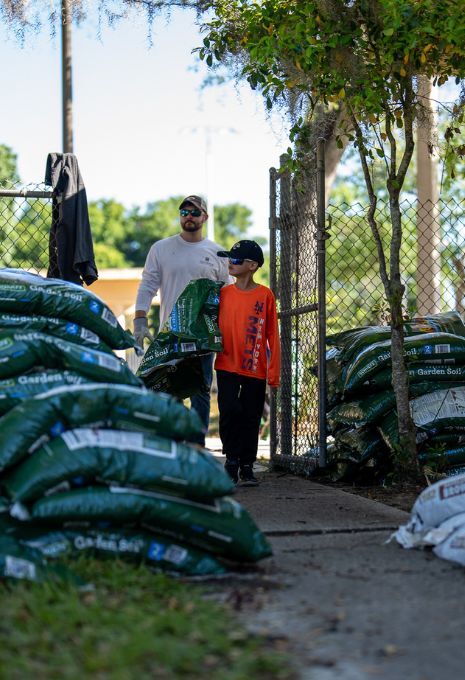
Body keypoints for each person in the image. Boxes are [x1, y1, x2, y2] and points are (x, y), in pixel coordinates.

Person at [133, 195, 230, 446]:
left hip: (204, 334)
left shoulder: (217, 252)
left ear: (205, 218)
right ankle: (173, 444)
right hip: (172, 333)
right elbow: (148, 285)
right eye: (184, 211)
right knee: (169, 388)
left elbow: (227, 294)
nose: (189, 216)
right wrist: (140, 319)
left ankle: (197, 445)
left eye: (195, 212)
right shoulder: (161, 248)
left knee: (200, 390)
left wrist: (228, 330)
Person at [215, 240, 281, 486]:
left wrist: (273, 374)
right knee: (230, 410)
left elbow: (273, 335)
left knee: (251, 416)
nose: (229, 264)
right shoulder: (222, 294)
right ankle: (231, 460)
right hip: (226, 365)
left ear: (252, 265)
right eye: (228, 259)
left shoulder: (265, 295)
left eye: (235, 260)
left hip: (254, 367)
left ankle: (246, 465)